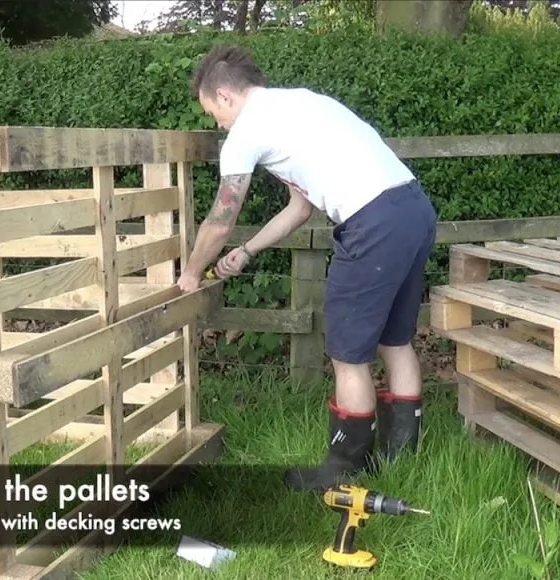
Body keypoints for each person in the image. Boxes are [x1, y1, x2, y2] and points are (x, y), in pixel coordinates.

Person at [176, 44, 437, 492]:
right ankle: (400, 463)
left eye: (213, 114)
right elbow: (300, 208)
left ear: (225, 95)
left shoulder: (245, 133)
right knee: (396, 341)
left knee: (347, 356)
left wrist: (191, 273)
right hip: (413, 210)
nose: (217, 125)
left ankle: (344, 469)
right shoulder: (303, 104)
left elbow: (220, 221)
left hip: (371, 224)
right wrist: (249, 251)